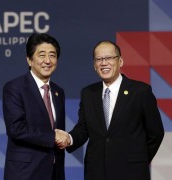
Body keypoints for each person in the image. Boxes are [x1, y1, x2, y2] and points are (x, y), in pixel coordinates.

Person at [56, 40, 164, 180]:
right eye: (99, 59)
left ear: (120, 61)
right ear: (94, 65)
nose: (104, 63)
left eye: (109, 58)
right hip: (97, 172)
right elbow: (83, 128)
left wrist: (138, 160)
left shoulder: (140, 91)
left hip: (131, 173)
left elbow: (155, 133)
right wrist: (69, 138)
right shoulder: (88, 93)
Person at [2, 33, 66, 180]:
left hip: (54, 173)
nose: (47, 61)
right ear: (29, 60)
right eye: (41, 55)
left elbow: (57, 129)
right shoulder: (15, 88)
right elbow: (16, 129)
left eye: (52, 55)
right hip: (25, 173)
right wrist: (53, 136)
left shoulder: (58, 92)